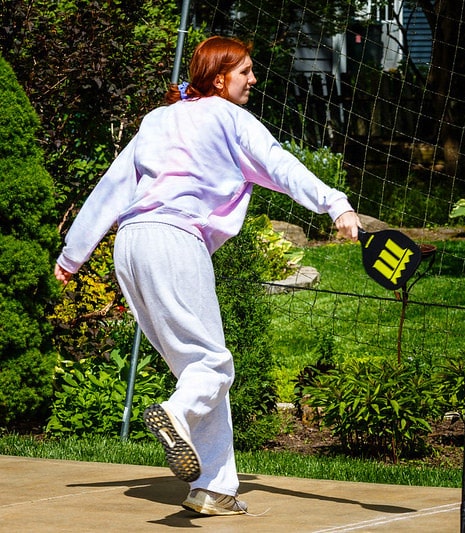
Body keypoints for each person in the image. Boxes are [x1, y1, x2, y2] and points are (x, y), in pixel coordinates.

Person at [53, 36, 360, 516]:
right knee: (214, 368)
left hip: (131, 244)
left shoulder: (157, 119)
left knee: (197, 368)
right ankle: (175, 412)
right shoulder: (230, 117)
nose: (253, 80)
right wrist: (335, 203)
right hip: (175, 240)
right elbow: (281, 166)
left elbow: (114, 183)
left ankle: (213, 487)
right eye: (245, 72)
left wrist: (72, 256)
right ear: (219, 77)